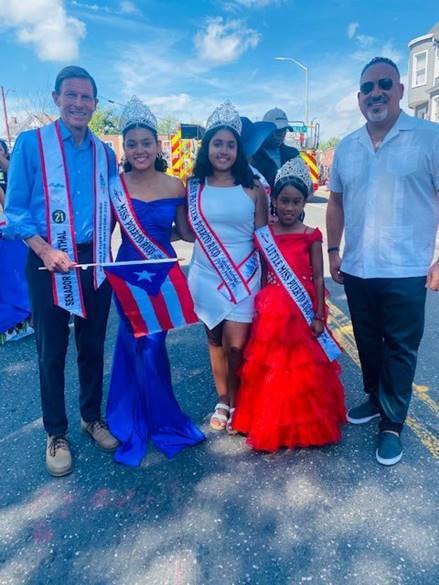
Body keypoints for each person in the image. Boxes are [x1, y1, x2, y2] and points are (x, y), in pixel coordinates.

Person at [4, 66, 118, 477]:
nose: (79, 104)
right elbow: (14, 212)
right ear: (56, 98)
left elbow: (116, 206)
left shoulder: (104, 152)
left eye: (86, 97)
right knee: (51, 351)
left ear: (95, 104)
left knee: (92, 346)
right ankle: (55, 432)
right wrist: (44, 249)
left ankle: (92, 417)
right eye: (71, 95)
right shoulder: (32, 145)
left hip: (92, 258)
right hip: (46, 258)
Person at [326, 56, 439, 466]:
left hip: (406, 269)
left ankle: (392, 424)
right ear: (359, 98)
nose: (376, 93)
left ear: (400, 91)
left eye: (384, 84)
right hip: (358, 266)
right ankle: (375, 397)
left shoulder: (429, 138)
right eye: (368, 87)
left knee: (401, 349)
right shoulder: (348, 146)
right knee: (368, 341)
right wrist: (333, 251)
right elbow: (335, 201)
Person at [105, 96, 205, 467]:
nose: (139, 149)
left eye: (146, 142)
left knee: (152, 346)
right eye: (132, 144)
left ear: (158, 145)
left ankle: (160, 418)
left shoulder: (176, 185)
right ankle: (131, 419)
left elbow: (185, 232)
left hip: (160, 274)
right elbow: (105, 234)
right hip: (129, 271)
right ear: (126, 148)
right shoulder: (114, 187)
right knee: (132, 344)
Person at [233, 158, 346, 451]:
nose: (289, 208)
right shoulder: (265, 236)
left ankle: (304, 424)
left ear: (304, 203)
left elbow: (319, 279)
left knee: (302, 369)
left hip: (302, 310)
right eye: (284, 201)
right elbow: (258, 271)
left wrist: (320, 314)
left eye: (296, 202)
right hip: (270, 312)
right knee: (272, 367)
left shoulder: (311, 235)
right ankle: (269, 422)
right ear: (275, 201)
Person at [186, 101, 268, 432]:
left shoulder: (253, 188)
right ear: (208, 148)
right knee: (214, 340)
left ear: (238, 149)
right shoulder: (194, 187)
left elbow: (263, 239)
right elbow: (183, 229)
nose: (223, 151)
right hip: (205, 275)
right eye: (217, 144)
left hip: (244, 277)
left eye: (230, 144)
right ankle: (223, 399)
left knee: (237, 346)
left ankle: (239, 398)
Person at [251, 107, 300, 188]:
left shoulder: (293, 155)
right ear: (266, 130)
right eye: (277, 130)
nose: (281, 134)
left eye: (284, 130)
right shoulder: (253, 155)